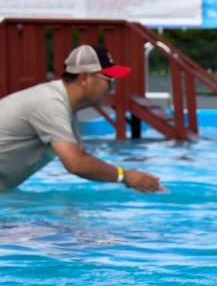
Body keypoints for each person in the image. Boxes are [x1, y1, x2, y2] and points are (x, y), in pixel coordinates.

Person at [0, 44, 163, 193]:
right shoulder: (50, 104)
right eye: (109, 80)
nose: (112, 87)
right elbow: (76, 164)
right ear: (85, 78)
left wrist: (134, 179)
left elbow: (82, 157)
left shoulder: (64, 107)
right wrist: (126, 176)